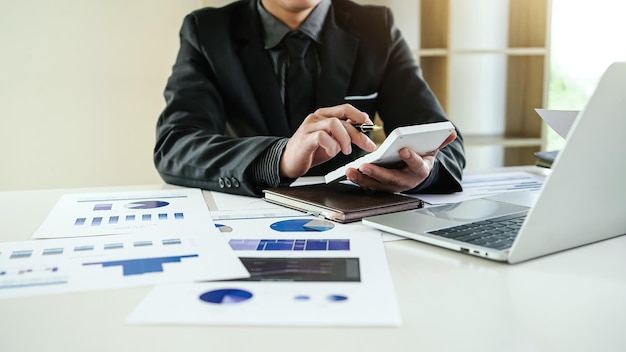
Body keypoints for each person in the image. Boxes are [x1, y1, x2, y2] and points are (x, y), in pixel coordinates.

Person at [154, 0, 465, 197]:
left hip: (358, 214)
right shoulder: (207, 31)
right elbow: (175, 147)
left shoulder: (377, 28)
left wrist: (423, 174)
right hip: (251, 209)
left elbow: (443, 138)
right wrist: (279, 157)